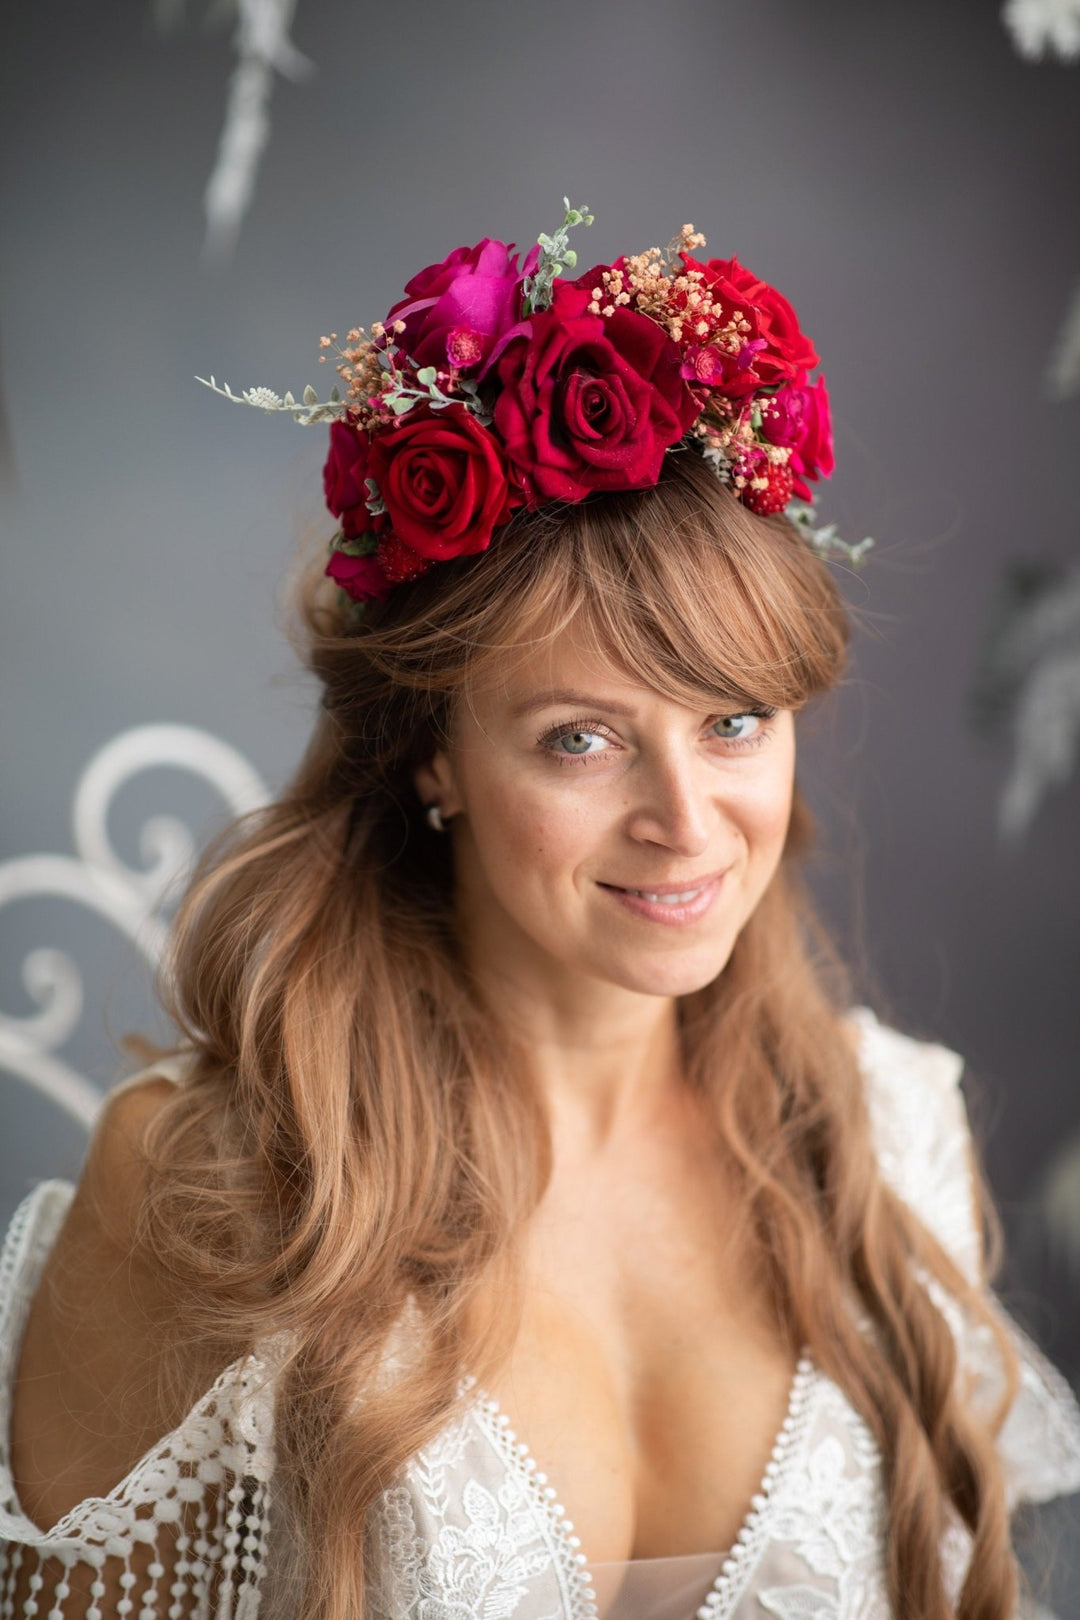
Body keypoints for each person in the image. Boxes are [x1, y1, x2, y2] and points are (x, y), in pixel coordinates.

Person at [1, 208, 1078, 1620]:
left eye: (737, 722)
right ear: (434, 754)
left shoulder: (893, 1140)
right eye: (582, 739)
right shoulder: (223, 1182)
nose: (686, 822)